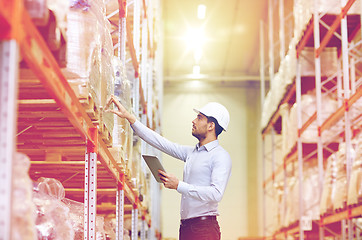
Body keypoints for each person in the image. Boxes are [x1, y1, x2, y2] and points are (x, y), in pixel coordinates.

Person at [105, 96, 232, 240]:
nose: (193, 121)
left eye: (199, 117)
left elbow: (216, 194)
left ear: (211, 126)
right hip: (186, 227)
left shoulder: (221, 156)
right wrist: (130, 118)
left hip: (204, 228)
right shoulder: (192, 152)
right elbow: (162, 143)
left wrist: (179, 185)